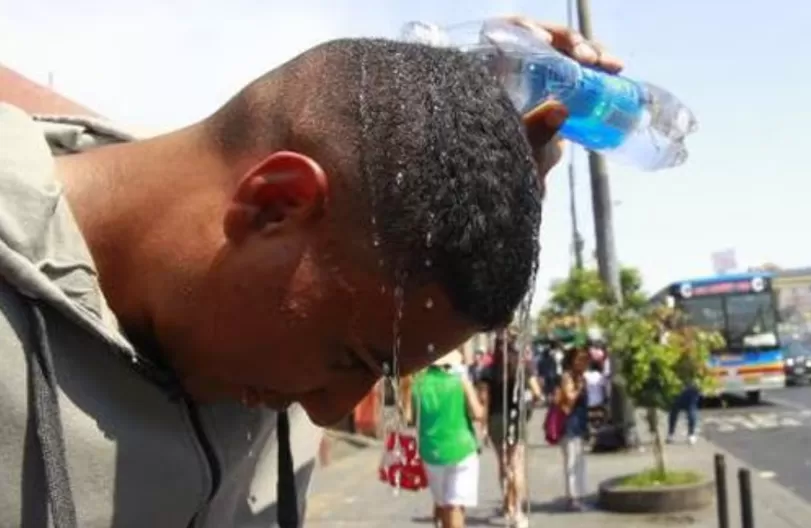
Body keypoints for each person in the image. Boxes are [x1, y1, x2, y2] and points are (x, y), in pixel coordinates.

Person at [0, 16, 623, 527]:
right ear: (274, 203)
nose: (329, 412)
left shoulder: (283, 305)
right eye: (350, 357)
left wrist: (462, 115)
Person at [406, 353, 484, 528]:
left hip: (431, 450)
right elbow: (478, 413)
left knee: (442, 502)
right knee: (455, 504)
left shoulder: (418, 384)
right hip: (462, 448)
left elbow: (409, 417)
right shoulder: (459, 381)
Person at [477, 335, 541, 528]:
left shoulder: (488, 371)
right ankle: (519, 513)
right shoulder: (523, 368)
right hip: (515, 419)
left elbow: (484, 401)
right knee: (517, 465)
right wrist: (529, 406)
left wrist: (484, 426)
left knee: (503, 465)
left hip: (496, 420)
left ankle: (508, 506)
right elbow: (537, 393)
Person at [556, 346, 590, 511]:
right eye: (580, 359)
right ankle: (572, 498)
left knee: (579, 461)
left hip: (579, 424)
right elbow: (568, 400)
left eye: (585, 359)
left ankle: (579, 495)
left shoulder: (580, 377)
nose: (583, 363)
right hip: (569, 425)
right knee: (571, 462)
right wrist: (579, 389)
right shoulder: (567, 377)